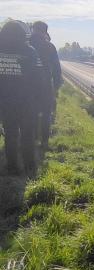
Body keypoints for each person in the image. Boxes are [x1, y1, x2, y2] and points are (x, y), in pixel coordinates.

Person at [0, 20, 43, 174]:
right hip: (27, 102)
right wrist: (40, 101)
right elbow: (39, 79)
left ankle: (11, 166)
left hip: (6, 102)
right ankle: (29, 165)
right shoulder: (30, 51)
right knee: (27, 134)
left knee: (10, 133)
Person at [30, 20, 62, 149]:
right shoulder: (50, 46)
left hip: (28, 86)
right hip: (46, 86)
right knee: (46, 114)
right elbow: (57, 70)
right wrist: (56, 87)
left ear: (33, 29)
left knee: (30, 112)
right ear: (45, 31)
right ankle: (44, 141)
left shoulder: (27, 44)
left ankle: (31, 138)